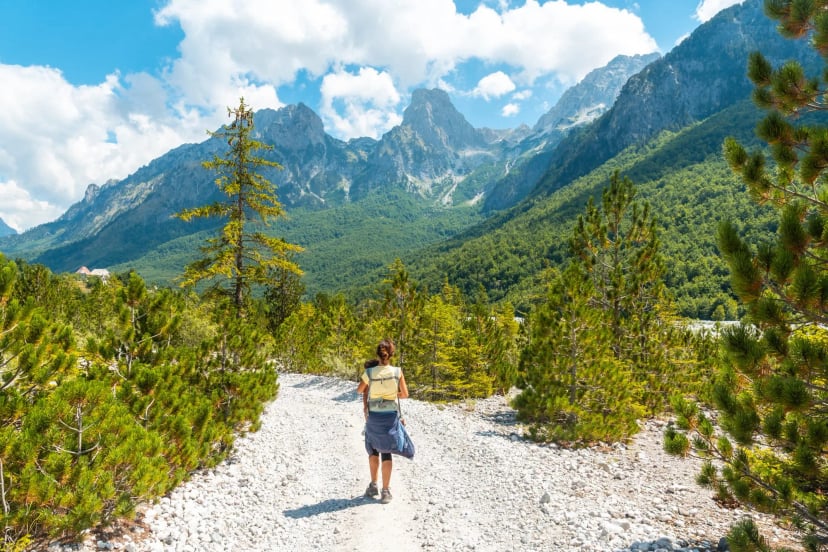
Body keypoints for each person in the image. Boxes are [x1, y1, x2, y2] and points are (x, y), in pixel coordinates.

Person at [356, 339, 409, 504]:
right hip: (390, 416)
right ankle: (385, 491)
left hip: (374, 416)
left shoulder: (370, 373)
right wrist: (392, 396)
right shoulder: (397, 372)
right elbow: (405, 394)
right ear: (391, 354)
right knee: (386, 451)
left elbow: (360, 390)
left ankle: (373, 485)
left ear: (377, 354)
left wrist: (376, 395)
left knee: (373, 449)